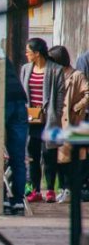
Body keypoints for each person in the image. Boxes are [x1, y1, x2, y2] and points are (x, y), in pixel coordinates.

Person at [21, 37, 65, 203]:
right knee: (32, 154)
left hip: (50, 117)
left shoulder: (55, 70)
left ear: (37, 53)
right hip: (31, 118)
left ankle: (51, 191)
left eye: (28, 51)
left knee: (49, 154)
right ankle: (36, 190)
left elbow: (60, 93)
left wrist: (57, 112)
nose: (26, 54)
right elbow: (23, 92)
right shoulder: (26, 69)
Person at [47, 45, 89, 204]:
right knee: (58, 157)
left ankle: (70, 189)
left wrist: (78, 107)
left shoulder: (77, 75)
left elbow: (87, 93)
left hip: (70, 122)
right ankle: (64, 188)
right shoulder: (53, 75)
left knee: (71, 157)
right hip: (55, 121)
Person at [4, 59, 29, 215]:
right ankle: (19, 201)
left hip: (3, 99)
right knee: (18, 157)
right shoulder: (7, 61)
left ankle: (3, 199)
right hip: (20, 101)